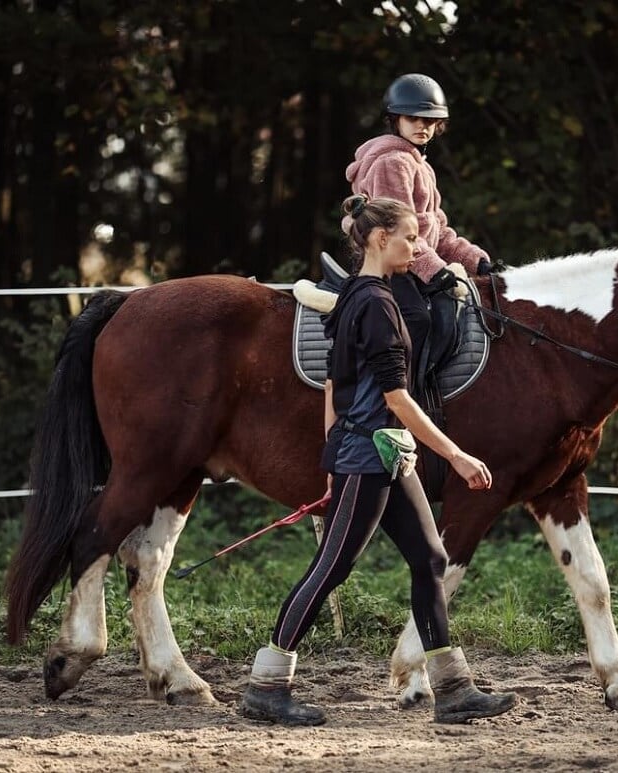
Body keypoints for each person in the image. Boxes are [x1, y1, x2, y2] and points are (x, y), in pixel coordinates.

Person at [239, 194, 517, 727]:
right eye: (410, 237)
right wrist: (456, 455)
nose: (418, 246)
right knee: (332, 567)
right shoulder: (378, 306)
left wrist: (331, 450)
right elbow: (397, 398)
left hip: (383, 452)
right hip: (369, 454)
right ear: (378, 238)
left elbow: (333, 383)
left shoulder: (355, 296)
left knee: (431, 559)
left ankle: (453, 690)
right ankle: (266, 685)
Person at [342, 73, 496, 399]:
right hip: (389, 264)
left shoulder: (420, 165)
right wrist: (436, 271)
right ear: (395, 119)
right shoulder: (393, 162)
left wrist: (476, 260)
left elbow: (436, 230)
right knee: (418, 318)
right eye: (413, 118)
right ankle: (396, 398)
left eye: (429, 120)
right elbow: (399, 233)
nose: (422, 126)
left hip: (413, 261)